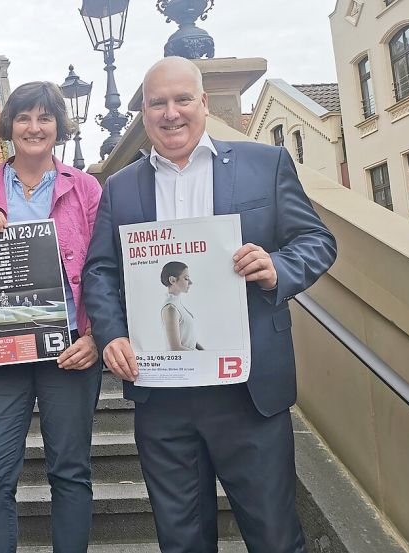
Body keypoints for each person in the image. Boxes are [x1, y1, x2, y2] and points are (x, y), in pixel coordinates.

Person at [82, 57, 336, 553]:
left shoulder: (265, 164)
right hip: (163, 397)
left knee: (275, 536)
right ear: (143, 112)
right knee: (181, 541)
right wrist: (111, 333)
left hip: (248, 391)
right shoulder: (121, 187)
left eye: (182, 100)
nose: (171, 113)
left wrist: (278, 267)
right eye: (158, 103)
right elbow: (101, 270)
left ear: (203, 102)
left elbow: (317, 240)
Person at [0, 81, 102, 552]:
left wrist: (95, 335)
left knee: (70, 472)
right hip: (2, 345)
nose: (34, 127)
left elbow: (104, 267)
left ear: (59, 126)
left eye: (45, 117)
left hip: (70, 345)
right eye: (24, 117)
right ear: (9, 125)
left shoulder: (86, 188)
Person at [159, 261, 202, 351]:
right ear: (172, 280)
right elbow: (175, 348)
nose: (190, 282)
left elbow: (189, 339)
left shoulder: (177, 304)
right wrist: (201, 356)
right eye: (186, 278)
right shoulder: (170, 308)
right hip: (183, 363)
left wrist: (204, 352)